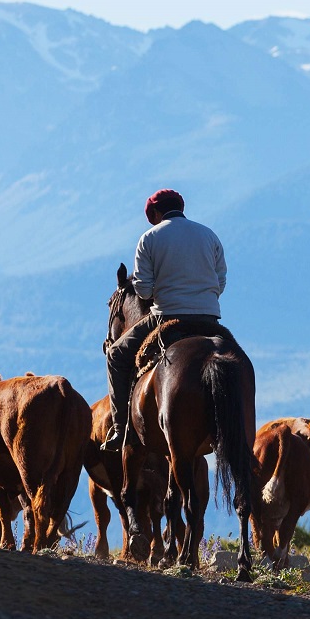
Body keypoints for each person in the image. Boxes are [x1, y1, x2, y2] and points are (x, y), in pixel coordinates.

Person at [101, 188, 228, 450]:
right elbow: (221, 282)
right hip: (209, 318)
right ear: (181, 208)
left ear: (156, 213)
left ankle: (120, 428)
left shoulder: (149, 238)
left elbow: (144, 292)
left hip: (166, 317)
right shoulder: (209, 235)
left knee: (115, 355)